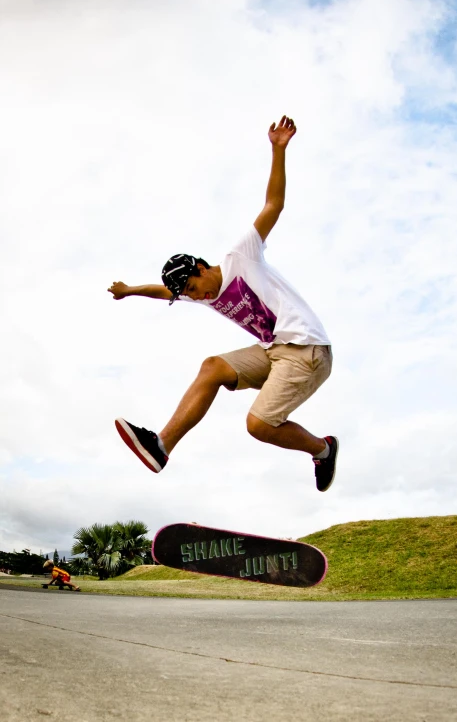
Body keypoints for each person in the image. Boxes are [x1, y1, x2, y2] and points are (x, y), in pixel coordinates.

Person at [108, 115, 338, 492]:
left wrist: (278, 151)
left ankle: (323, 449)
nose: (197, 297)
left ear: (201, 267)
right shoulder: (199, 293)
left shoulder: (240, 257)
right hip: (274, 351)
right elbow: (162, 291)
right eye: (189, 295)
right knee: (212, 367)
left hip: (307, 349)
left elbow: (273, 206)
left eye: (194, 288)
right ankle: (161, 446)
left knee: (258, 425)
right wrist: (129, 289)